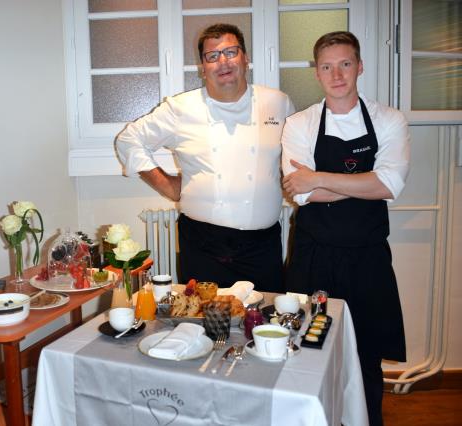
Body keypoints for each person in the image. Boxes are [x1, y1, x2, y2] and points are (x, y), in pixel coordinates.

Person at [281, 31, 409, 426]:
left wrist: (319, 178)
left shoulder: (389, 119)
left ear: (360, 66)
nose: (337, 74)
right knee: (305, 351)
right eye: (327, 66)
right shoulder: (298, 123)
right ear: (316, 72)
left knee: (366, 357)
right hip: (313, 256)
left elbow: (389, 186)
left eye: (345, 64)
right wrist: (363, 185)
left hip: (367, 259)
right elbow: (300, 194)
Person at [116, 24, 294, 290]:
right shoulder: (180, 108)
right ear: (202, 67)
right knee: (204, 325)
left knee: (264, 323)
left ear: (245, 58)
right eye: (212, 56)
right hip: (203, 246)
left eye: (231, 52)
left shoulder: (278, 103)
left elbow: (292, 157)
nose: (223, 62)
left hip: (262, 246)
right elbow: (128, 140)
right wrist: (166, 185)